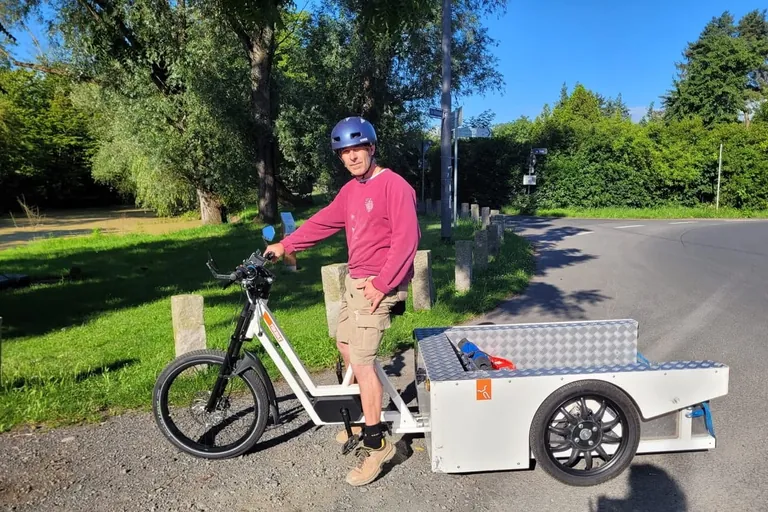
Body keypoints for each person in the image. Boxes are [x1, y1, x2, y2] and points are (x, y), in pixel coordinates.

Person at [264, 116, 421, 487]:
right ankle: (369, 414)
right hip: (356, 283)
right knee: (346, 347)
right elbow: (322, 222)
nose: (351, 158)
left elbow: (407, 240)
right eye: (344, 153)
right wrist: (286, 245)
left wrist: (383, 285)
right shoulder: (351, 190)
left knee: (363, 363)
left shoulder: (394, 186)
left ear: (371, 147)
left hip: (379, 286)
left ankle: (377, 443)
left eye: (357, 149)